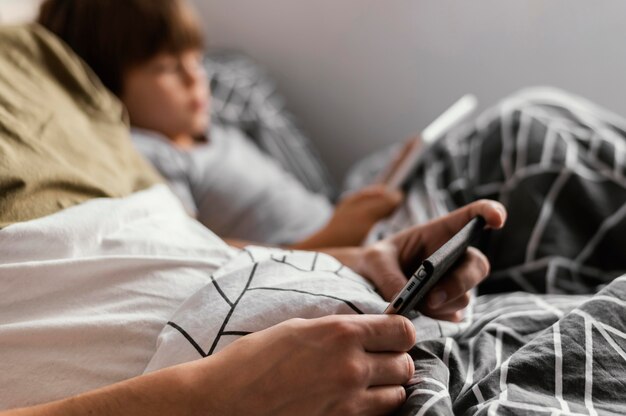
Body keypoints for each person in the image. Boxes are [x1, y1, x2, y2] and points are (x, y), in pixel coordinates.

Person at [0, 22, 505, 415]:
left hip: (365, 331)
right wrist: (202, 401)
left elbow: (166, 242)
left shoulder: (37, 54)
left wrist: (361, 258)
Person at [37, 0, 407, 250]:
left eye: (196, 60)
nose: (195, 78)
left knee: (415, 162)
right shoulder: (150, 154)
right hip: (323, 252)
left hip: (344, 225)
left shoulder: (208, 129)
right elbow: (202, 253)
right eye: (167, 68)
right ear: (106, 87)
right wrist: (329, 238)